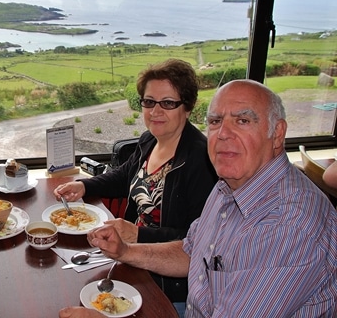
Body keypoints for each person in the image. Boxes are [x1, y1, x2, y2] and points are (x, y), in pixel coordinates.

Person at [62, 79, 337, 318]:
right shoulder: (229, 185)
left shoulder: (287, 226)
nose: (224, 134)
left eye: (243, 120)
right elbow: (192, 251)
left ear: (277, 134)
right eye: (216, 121)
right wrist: (125, 251)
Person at [54, 59, 217, 306]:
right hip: (132, 258)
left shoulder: (202, 161)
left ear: (188, 107)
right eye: (149, 102)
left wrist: (137, 234)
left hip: (168, 286)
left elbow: (197, 240)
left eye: (168, 103)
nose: (155, 111)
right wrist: (85, 186)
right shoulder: (149, 140)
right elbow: (124, 175)